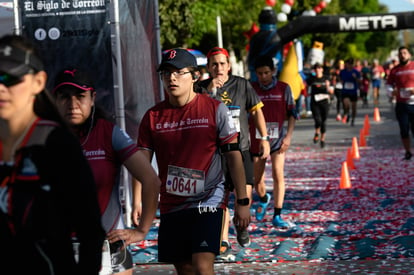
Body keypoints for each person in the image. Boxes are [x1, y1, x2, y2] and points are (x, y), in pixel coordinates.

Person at [137, 48, 251, 274]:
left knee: (202, 265)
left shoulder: (215, 109)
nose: (171, 78)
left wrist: (243, 201)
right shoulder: (152, 117)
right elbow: (140, 165)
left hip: (209, 199)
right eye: (166, 73)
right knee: (185, 268)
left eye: (179, 72)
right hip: (172, 203)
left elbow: (233, 156)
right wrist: (137, 201)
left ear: (195, 76)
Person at [0, 34, 105, 274]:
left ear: (38, 82)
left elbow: (90, 230)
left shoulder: (57, 144)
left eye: (12, 77)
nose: (1, 87)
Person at [53, 68, 160, 275]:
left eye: (80, 96)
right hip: (61, 244)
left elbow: (151, 180)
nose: (72, 104)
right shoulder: (45, 136)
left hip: (109, 241)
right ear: (54, 100)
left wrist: (142, 230)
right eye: (64, 97)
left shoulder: (109, 133)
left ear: (92, 98)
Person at [196, 46, 270, 260]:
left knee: (242, 196)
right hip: (215, 153)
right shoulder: (200, 89)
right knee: (220, 198)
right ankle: (223, 242)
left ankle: (241, 226)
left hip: (241, 148)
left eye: (222, 63)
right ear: (208, 68)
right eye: (214, 64)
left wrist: (264, 139)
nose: (218, 68)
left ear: (228, 66)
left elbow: (257, 111)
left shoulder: (242, 84)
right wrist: (209, 90)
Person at [249, 56, 298, 228]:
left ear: (273, 72)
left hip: (278, 140)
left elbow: (293, 114)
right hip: (257, 141)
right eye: (260, 73)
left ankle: (277, 214)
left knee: (278, 174)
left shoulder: (283, 88)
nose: (263, 76)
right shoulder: (251, 89)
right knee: (257, 180)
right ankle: (264, 199)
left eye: (266, 73)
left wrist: (288, 137)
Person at [386, 46, 414, 160]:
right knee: (404, 129)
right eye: (400, 53)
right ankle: (408, 152)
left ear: (409, 55)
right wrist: (392, 92)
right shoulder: (395, 70)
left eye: (404, 53)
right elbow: (388, 84)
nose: (402, 55)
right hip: (401, 104)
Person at [307, 63, 334, 148]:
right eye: (316, 68)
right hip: (315, 102)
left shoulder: (326, 78)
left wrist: (328, 87)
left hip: (325, 102)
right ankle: (317, 132)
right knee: (318, 120)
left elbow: (331, 91)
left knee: (323, 121)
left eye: (319, 68)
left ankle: (322, 139)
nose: (318, 70)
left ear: (322, 69)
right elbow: (305, 87)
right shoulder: (311, 79)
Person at [339, 58, 361, 126]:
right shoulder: (343, 71)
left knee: (354, 107)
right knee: (346, 104)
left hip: (353, 91)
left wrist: (355, 78)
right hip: (345, 90)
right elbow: (339, 78)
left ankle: (353, 119)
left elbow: (360, 81)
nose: (349, 65)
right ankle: (347, 113)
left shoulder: (356, 72)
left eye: (350, 64)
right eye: (348, 64)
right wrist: (341, 81)